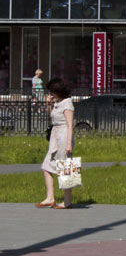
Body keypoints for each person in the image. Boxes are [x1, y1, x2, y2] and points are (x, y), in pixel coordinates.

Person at [37, 79, 74, 209]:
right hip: (55, 136)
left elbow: (70, 125)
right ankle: (50, 198)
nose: (51, 94)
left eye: (52, 92)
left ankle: (67, 201)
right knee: (46, 167)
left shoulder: (67, 103)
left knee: (65, 168)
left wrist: (69, 144)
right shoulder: (57, 103)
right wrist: (49, 105)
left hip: (64, 136)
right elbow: (52, 117)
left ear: (58, 91)